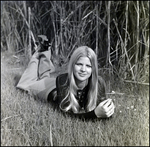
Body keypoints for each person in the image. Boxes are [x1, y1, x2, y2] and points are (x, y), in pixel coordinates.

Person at [16, 46, 115, 119]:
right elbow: (66, 114)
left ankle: (45, 49)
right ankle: (38, 53)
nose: (83, 70)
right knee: (25, 84)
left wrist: (108, 111)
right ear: (72, 65)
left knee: (44, 75)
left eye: (88, 66)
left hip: (54, 84)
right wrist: (94, 114)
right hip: (49, 89)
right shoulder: (63, 80)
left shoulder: (99, 83)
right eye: (79, 64)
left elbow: (105, 112)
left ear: (94, 69)